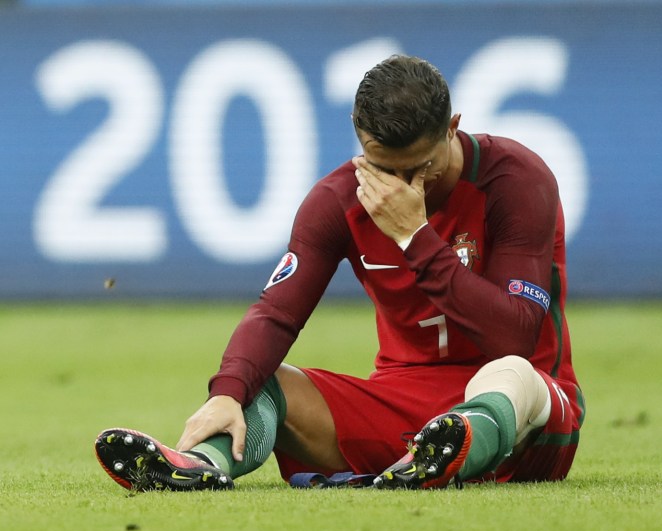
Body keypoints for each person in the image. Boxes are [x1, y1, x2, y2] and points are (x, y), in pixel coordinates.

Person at [94, 54, 584, 491]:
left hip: (531, 416)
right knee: (263, 379)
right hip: (405, 407)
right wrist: (226, 394)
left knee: (510, 375)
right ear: (359, 138)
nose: (400, 186)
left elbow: (515, 336)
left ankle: (456, 445)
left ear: (452, 127)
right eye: (382, 168)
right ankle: (200, 465)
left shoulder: (517, 180)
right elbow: (276, 313)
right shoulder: (337, 201)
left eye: (420, 167)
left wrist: (415, 238)